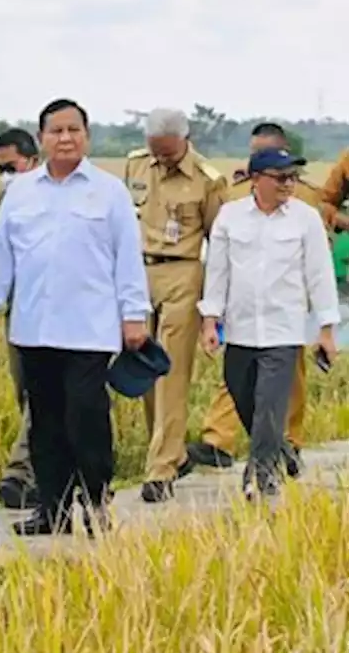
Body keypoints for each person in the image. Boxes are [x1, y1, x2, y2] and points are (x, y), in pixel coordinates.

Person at [0, 98, 151, 537]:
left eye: (74, 130)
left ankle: (95, 504)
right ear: (42, 139)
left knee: (87, 420)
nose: (66, 138)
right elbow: (0, 256)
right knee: (45, 424)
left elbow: (128, 259)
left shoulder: (109, 192)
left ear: (87, 137)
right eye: (56, 131)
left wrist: (134, 316)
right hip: (35, 328)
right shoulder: (21, 192)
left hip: (91, 330)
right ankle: (52, 509)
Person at [189, 123, 334, 477]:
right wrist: (211, 320)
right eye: (280, 177)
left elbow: (319, 275)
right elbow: (218, 272)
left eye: (292, 177)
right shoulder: (231, 216)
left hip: (283, 332)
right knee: (245, 402)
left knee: (270, 407)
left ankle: (261, 480)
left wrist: (327, 330)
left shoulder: (305, 219)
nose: (288, 184)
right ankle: (281, 452)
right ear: (256, 178)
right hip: (240, 331)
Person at [122, 109, 228, 503]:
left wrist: (212, 309)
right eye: (156, 153)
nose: (162, 161)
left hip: (183, 274)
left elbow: (220, 245)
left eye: (168, 153)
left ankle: (161, 469)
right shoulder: (135, 166)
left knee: (171, 372)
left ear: (185, 139)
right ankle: (175, 452)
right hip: (138, 272)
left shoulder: (208, 180)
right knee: (142, 368)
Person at [0, 128, 41, 509]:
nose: (6, 174)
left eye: (12, 166)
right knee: (25, 395)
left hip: (63, 314)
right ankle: (45, 470)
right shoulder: (0, 205)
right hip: (19, 311)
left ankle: (19, 473)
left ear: (32, 160)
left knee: (43, 395)